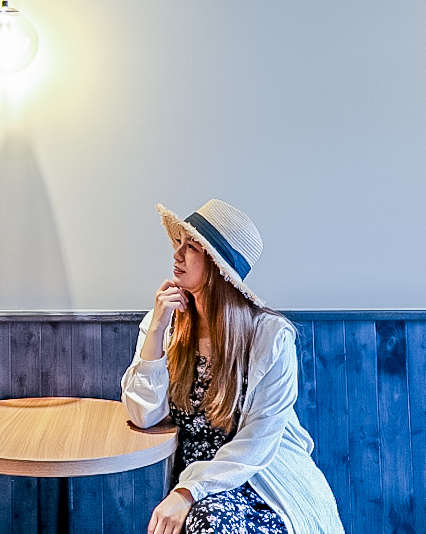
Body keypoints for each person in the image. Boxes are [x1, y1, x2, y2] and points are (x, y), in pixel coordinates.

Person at [121, 199, 344, 534]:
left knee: (213, 522)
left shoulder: (270, 339)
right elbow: (143, 415)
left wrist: (186, 492)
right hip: (198, 487)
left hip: (266, 481)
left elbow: (257, 442)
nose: (176, 255)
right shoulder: (165, 323)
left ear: (217, 267)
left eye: (191, 247)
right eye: (178, 243)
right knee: (209, 519)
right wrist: (154, 332)